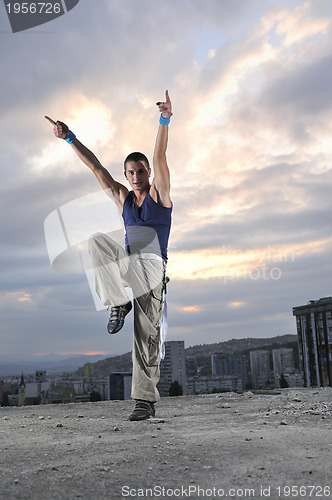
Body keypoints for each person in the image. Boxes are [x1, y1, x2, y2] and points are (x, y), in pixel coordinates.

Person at [45, 90, 173, 421]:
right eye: (129, 173)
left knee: (145, 336)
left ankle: (144, 401)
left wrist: (164, 120)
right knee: (97, 242)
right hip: (130, 262)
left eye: (139, 171)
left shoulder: (159, 195)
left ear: (147, 173)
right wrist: (69, 137)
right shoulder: (123, 198)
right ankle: (118, 302)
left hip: (153, 272)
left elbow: (160, 157)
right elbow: (96, 167)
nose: (135, 177)